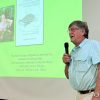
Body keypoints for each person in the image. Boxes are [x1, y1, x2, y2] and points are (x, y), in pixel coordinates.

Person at [62, 20, 100, 100]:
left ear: (83, 32)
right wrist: (66, 64)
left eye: (72, 29)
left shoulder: (93, 45)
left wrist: (97, 95)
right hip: (79, 95)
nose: (70, 32)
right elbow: (68, 76)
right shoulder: (73, 51)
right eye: (69, 30)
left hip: (92, 94)